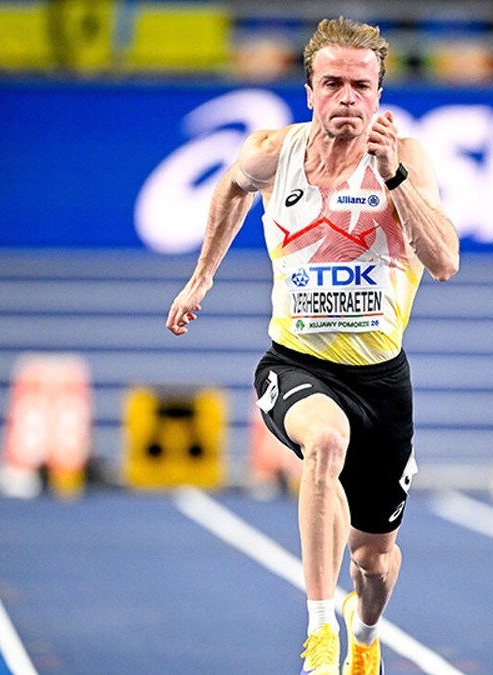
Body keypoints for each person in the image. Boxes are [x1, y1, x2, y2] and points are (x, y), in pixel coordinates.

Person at [166, 17, 459, 675]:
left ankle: (363, 631)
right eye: (333, 83)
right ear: (310, 91)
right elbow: (232, 187)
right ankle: (320, 629)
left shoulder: (407, 156)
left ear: (379, 93)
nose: (347, 98)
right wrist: (202, 276)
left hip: (382, 383)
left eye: (361, 84)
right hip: (294, 363)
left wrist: (396, 178)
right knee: (323, 444)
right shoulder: (276, 151)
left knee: (374, 559)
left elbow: (443, 261)